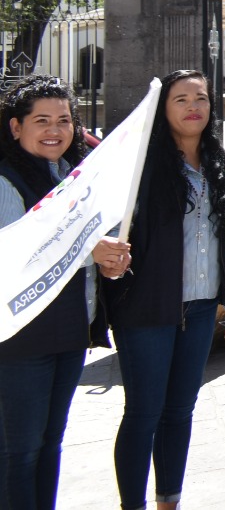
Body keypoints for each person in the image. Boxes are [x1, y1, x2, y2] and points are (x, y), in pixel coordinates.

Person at [105, 70, 225, 510]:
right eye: (181, 99)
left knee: (180, 410)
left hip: (201, 307)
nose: (193, 107)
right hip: (146, 306)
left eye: (201, 98)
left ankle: (169, 500)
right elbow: (110, 226)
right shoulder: (141, 166)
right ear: (162, 109)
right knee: (144, 413)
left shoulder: (216, 162)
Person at [0, 76, 127, 510]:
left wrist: (109, 263)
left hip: (69, 333)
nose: (55, 130)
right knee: (19, 452)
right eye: (42, 121)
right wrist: (91, 251)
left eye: (64, 120)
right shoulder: (7, 181)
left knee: (50, 443)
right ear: (16, 127)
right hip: (21, 342)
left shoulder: (72, 178)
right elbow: (14, 256)